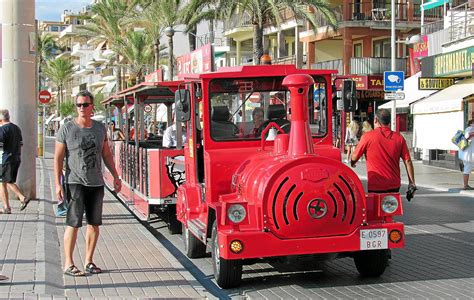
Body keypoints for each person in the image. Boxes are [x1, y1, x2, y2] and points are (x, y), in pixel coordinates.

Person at [54, 90, 121, 277]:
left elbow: (106, 153)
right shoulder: (67, 128)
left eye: (85, 104)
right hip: (74, 181)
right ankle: (68, 263)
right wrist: (58, 184)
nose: (81, 108)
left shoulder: (100, 128)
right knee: (73, 223)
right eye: (79, 105)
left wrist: (115, 175)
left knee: (94, 224)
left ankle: (89, 261)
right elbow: (58, 159)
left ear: (92, 106)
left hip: (96, 182)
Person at [351, 109, 416, 193]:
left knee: (375, 206)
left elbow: (354, 157)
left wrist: (353, 163)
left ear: (375, 120)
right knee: (393, 205)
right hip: (394, 184)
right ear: (389, 121)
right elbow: (408, 161)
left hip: (375, 185)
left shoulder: (367, 137)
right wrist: (412, 183)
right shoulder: (399, 138)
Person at [0, 109, 29, 214]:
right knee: (5, 181)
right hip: (16, 158)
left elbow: (0, 145)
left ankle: (22, 198)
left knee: (6, 181)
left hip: (6, 158)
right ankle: (7, 208)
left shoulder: (3, 129)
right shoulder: (16, 128)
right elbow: (21, 144)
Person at [458, 119, 474, 190]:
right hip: (468, 154)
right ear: (471, 123)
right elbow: (467, 136)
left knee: (467, 169)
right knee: (467, 169)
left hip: (467, 154)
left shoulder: (469, 129)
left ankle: (465, 185)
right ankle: (465, 185)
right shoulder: (469, 129)